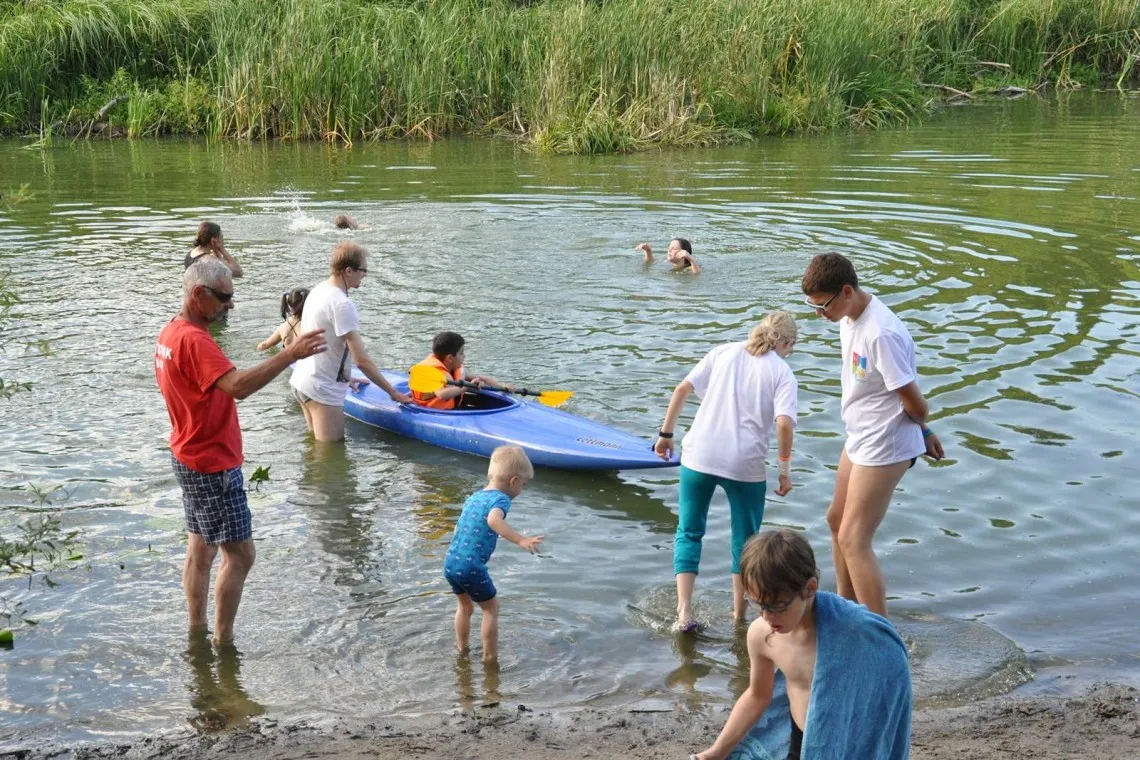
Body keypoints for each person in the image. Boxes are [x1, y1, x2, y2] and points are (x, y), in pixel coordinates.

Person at [154, 257, 326, 644]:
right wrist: (289, 355)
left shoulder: (170, 332)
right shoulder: (196, 341)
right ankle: (223, 642)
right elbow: (237, 387)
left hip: (186, 453)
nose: (230, 305)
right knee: (241, 555)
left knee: (201, 546)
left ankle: (196, 630)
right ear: (198, 294)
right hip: (212, 462)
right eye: (224, 298)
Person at [801, 252, 944, 617]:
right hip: (861, 433)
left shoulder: (881, 333)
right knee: (835, 521)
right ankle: (848, 614)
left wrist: (921, 429)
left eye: (823, 306)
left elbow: (916, 403)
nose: (819, 314)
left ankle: (878, 637)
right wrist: (924, 430)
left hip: (886, 442)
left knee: (854, 538)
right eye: (813, 306)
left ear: (847, 291)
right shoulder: (848, 316)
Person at [689, 530, 912, 760]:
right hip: (799, 743)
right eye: (758, 606)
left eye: (778, 606)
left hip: (846, 742)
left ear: (810, 588)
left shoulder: (854, 631)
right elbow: (757, 695)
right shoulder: (761, 635)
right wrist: (716, 752)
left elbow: (893, 665)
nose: (767, 617)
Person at [655, 312, 799, 633]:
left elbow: (682, 389)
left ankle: (684, 612)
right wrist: (784, 471)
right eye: (793, 347)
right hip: (743, 463)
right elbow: (784, 423)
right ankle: (738, 617)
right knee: (745, 543)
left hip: (699, 455)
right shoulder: (782, 372)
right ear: (786, 342)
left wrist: (665, 436)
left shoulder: (722, 352)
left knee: (689, 531)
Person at [289, 241, 411, 441]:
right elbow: (361, 360)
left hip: (302, 381)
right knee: (331, 456)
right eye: (363, 270)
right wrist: (392, 393)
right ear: (348, 271)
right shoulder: (342, 304)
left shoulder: (318, 290)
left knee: (315, 451)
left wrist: (345, 376)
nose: (365, 274)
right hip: (322, 390)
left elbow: (316, 338)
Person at [443, 446, 543, 663]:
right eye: (524, 485)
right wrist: (520, 539)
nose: (522, 490)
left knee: (465, 606)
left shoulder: (474, 497)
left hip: (451, 562)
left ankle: (462, 649)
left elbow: (461, 527)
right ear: (514, 481)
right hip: (471, 567)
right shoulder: (501, 499)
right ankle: (490, 658)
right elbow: (493, 521)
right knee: (491, 609)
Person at [409, 331, 509, 410]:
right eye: (461, 353)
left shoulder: (458, 369)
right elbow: (442, 394)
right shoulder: (431, 373)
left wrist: (503, 387)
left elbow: (484, 378)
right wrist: (465, 386)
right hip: (431, 412)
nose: (464, 356)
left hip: (451, 410)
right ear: (450, 358)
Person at [635, 238, 700, 273]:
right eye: (669, 248)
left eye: (673, 248)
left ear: (684, 252)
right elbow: (649, 263)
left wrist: (691, 260)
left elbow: (697, 274)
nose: (669, 250)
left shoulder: (689, 269)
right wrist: (648, 251)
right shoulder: (666, 263)